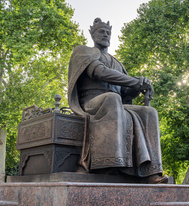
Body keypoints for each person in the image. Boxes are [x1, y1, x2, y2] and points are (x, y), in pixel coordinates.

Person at [67, 18, 168, 183]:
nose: (105, 34)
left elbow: (126, 94)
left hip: (115, 104)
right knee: (112, 98)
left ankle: (151, 172)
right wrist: (133, 81)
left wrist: (140, 86)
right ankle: (109, 163)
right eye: (101, 31)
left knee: (149, 112)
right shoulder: (83, 51)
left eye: (108, 32)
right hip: (90, 102)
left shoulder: (117, 63)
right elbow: (100, 72)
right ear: (92, 34)